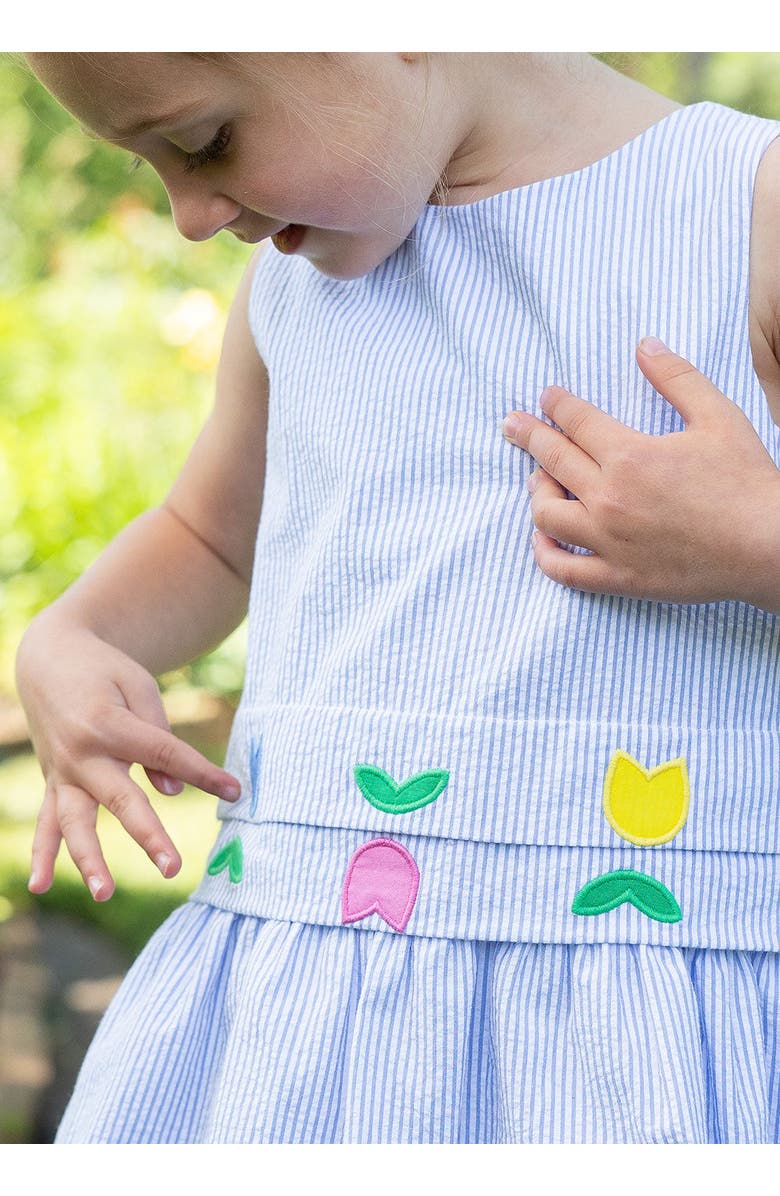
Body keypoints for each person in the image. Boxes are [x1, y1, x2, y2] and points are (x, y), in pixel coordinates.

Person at [14, 52, 780, 1144]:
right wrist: (75, 633)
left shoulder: (745, 208)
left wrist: (757, 538)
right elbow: (208, 537)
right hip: (309, 1017)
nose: (188, 214)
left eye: (205, 143)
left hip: (647, 1025)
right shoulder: (293, 282)